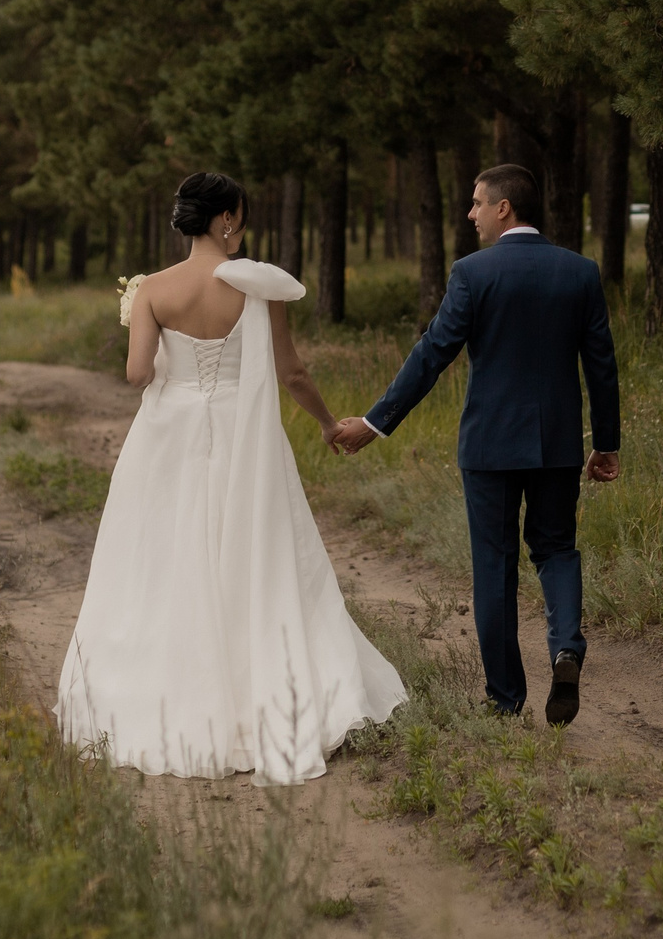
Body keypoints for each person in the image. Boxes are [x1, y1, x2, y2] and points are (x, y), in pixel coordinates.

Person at [55, 171, 405, 785]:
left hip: (168, 437)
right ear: (225, 219)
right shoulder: (257, 286)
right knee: (255, 554)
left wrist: (152, 339)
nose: (242, 226)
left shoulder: (153, 289)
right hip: (247, 439)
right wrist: (328, 424)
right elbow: (291, 373)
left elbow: (138, 375)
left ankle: (164, 700)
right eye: (239, 215)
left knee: (163, 559)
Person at [330, 163, 620, 725]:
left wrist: (375, 422)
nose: (471, 214)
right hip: (557, 444)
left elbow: (432, 354)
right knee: (557, 549)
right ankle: (566, 648)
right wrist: (605, 442)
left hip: (490, 446)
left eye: (477, 203)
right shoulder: (580, 271)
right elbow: (601, 365)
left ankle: (505, 700)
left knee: (494, 565)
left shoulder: (473, 272)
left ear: (503, 207)